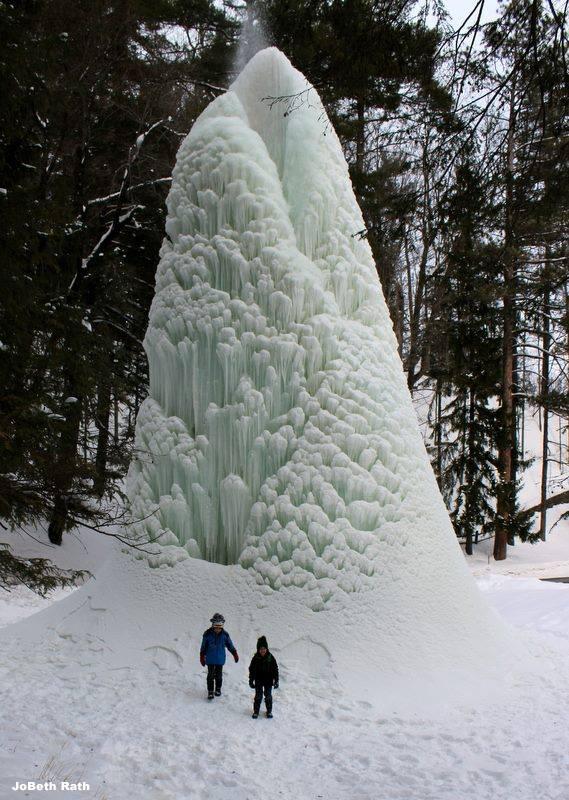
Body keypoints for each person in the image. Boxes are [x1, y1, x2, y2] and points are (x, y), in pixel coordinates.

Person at [200, 613, 239, 700]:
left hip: (220, 659)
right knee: (210, 676)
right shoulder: (207, 635)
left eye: (219, 627)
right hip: (210, 659)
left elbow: (230, 645)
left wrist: (234, 653)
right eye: (216, 627)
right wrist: (202, 656)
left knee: (219, 676)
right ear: (213, 625)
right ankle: (210, 691)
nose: (217, 629)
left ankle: (218, 689)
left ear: (222, 626)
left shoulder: (225, 635)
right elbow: (203, 646)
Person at [248, 635, 279, 719]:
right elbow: (252, 670)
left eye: (264, 649)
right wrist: (251, 680)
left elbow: (275, 669)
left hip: (268, 680)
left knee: (268, 696)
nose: (263, 651)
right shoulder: (255, 658)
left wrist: (276, 680)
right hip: (258, 680)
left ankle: (269, 711)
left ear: (267, 649)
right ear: (258, 649)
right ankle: (256, 711)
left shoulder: (270, 657)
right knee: (258, 696)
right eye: (261, 649)